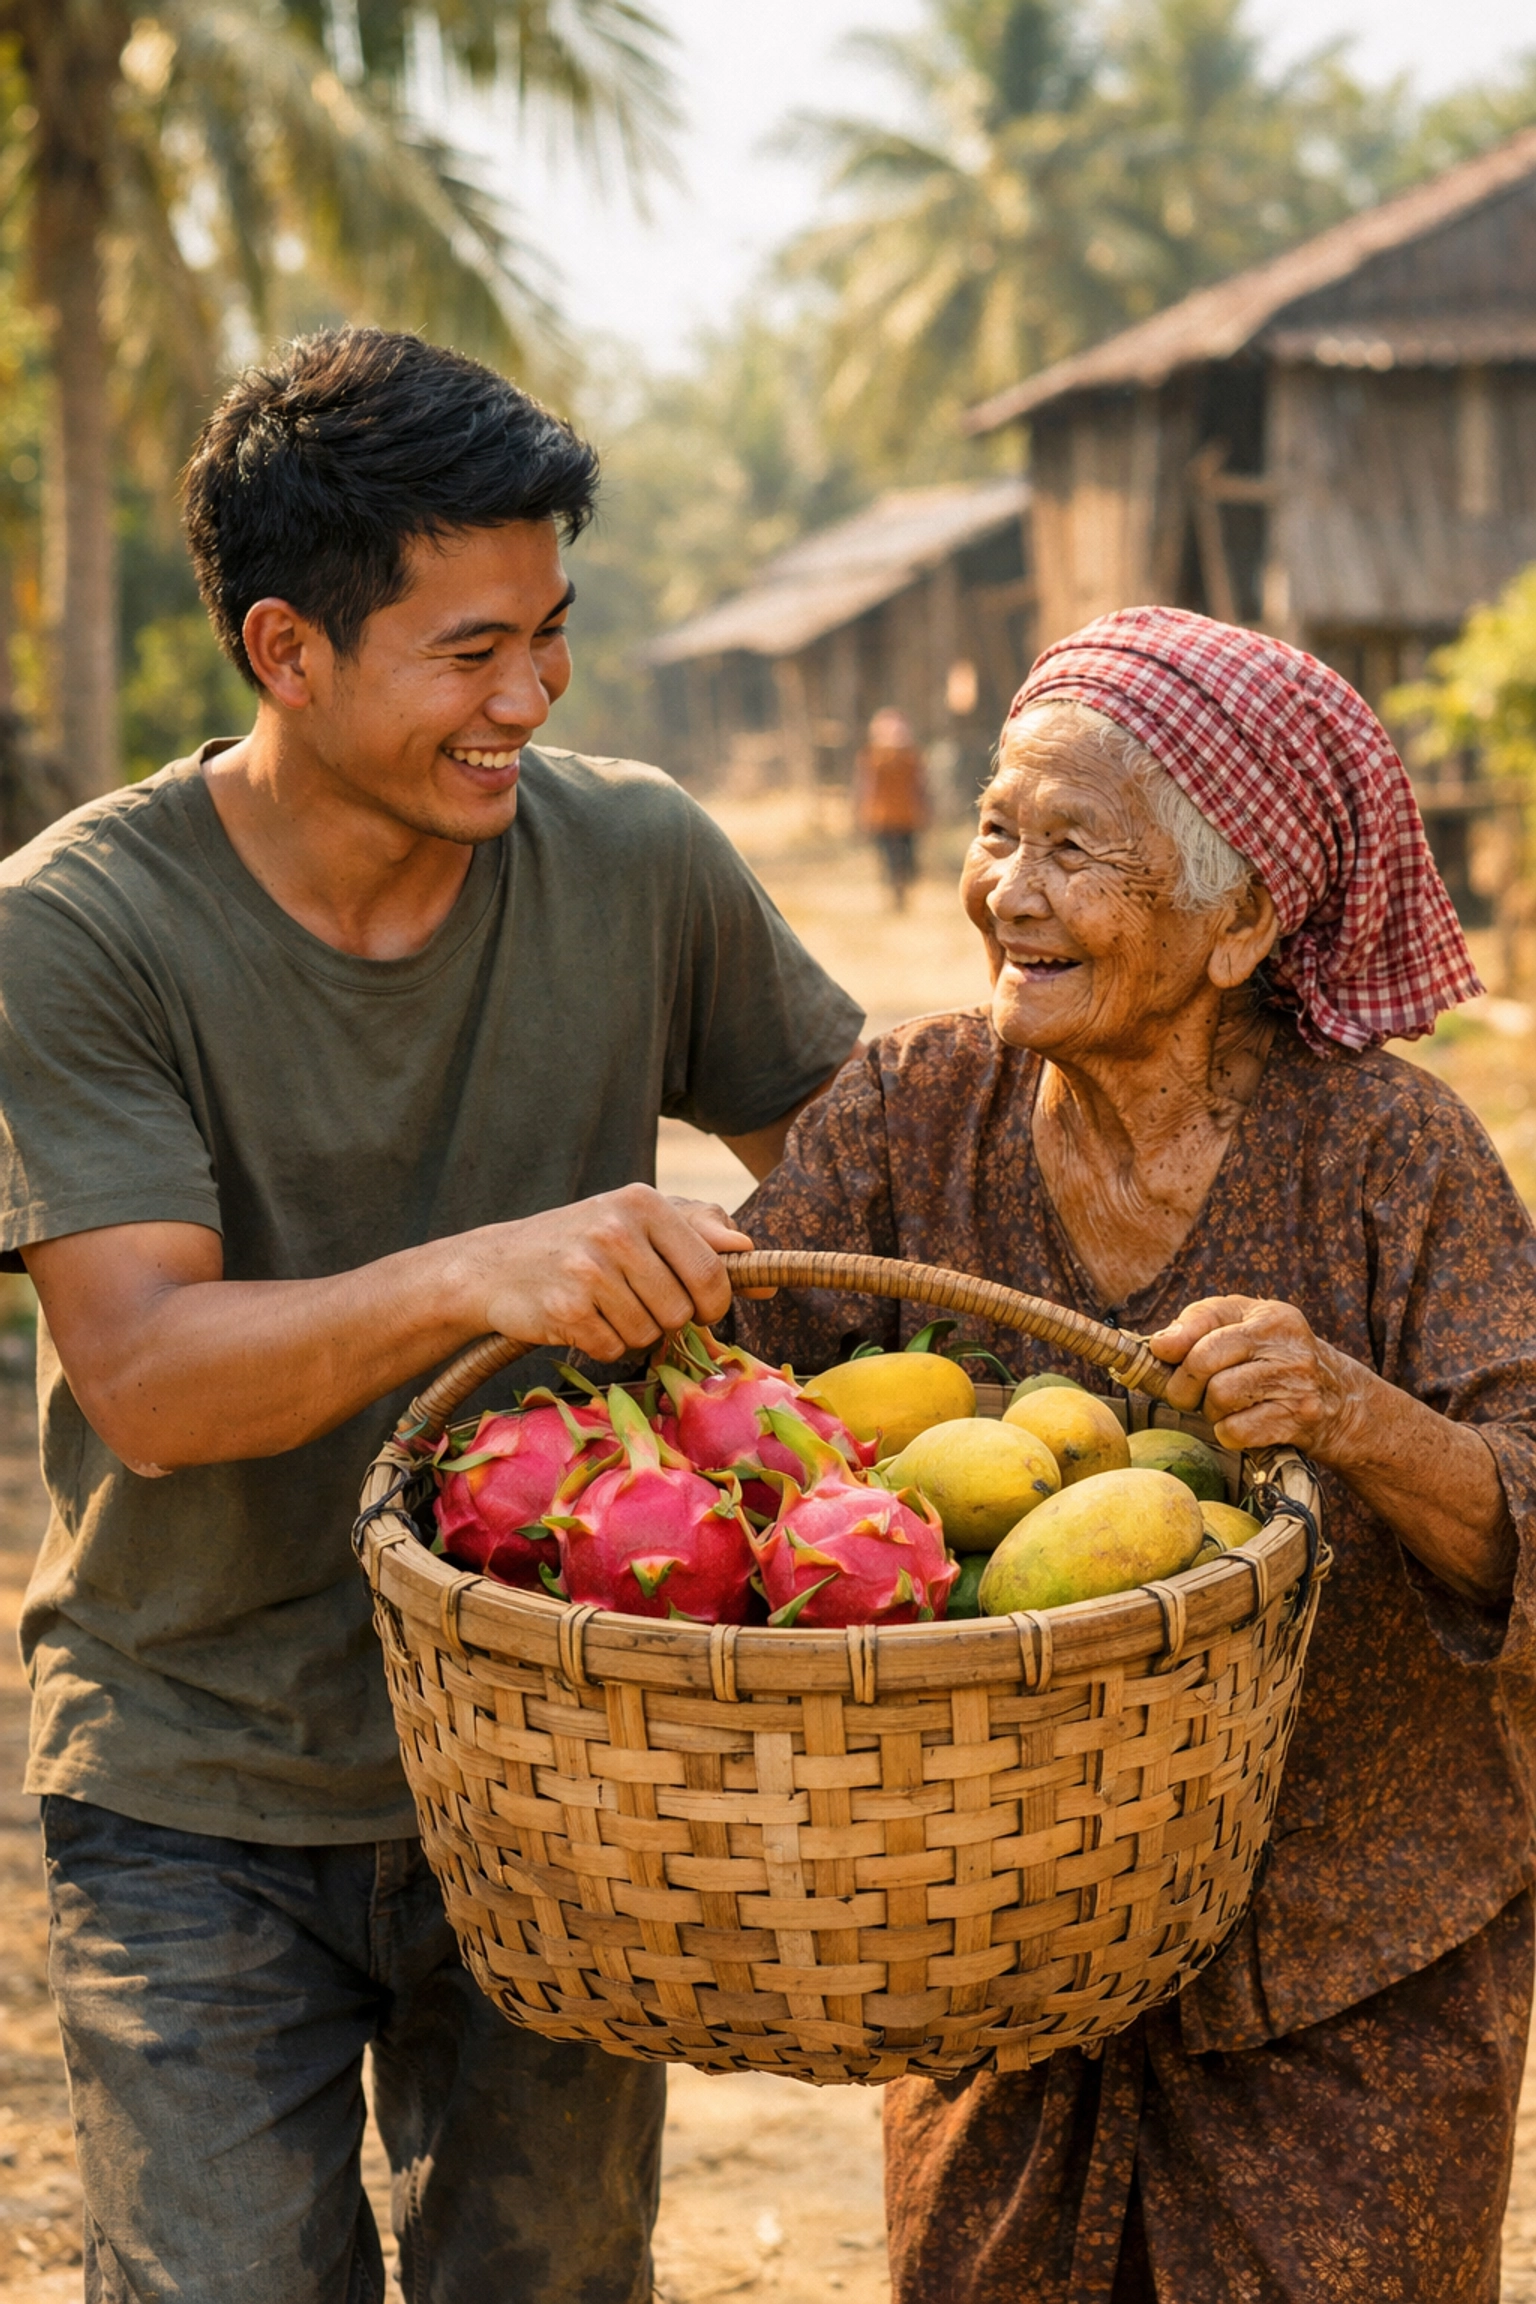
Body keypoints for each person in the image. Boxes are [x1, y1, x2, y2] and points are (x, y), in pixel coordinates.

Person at [0, 327, 863, 2304]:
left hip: (577, 1751)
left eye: (550, 637)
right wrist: (489, 1270)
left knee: (553, 2280)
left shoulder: (639, 857)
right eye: (468, 655)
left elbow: (876, 1185)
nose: (529, 698)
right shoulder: (77, 932)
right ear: (285, 650)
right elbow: (144, 1379)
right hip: (197, 1769)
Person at [732, 605, 1536, 2304]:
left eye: (1075, 850)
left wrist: (1352, 1409)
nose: (1008, 891)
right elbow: (733, 1398)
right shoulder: (907, 1114)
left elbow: (1524, 1510)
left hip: (1343, 1955)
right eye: (997, 830)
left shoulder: (1389, 1152)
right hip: (998, 1943)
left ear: (1241, 918)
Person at [853, 706, 929, 909]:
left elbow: (920, 786)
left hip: (906, 817)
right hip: (883, 818)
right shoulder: (873, 757)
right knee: (890, 860)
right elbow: (867, 788)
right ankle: (896, 895)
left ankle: (901, 891)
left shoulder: (911, 757)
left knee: (907, 861)